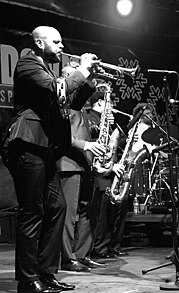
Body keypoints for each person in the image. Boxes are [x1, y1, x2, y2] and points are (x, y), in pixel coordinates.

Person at [1, 26, 100, 293]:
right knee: (33, 211)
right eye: (55, 41)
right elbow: (55, 89)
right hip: (28, 144)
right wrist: (81, 71)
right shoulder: (28, 64)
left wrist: (88, 77)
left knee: (56, 208)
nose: (61, 45)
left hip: (45, 149)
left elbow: (72, 103)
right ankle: (27, 279)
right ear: (39, 43)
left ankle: (46, 274)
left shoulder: (47, 68)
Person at [57, 64, 106, 272]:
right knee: (68, 215)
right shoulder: (62, 104)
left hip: (85, 164)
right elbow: (64, 138)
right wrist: (87, 145)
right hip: (69, 165)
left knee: (88, 211)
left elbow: (84, 91)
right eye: (73, 76)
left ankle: (82, 254)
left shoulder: (78, 107)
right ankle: (67, 258)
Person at [87, 92, 129, 259]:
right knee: (103, 211)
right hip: (98, 171)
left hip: (111, 168)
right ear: (99, 102)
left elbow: (112, 146)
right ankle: (100, 248)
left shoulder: (108, 121)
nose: (111, 107)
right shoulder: (89, 117)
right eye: (109, 103)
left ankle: (113, 245)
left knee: (120, 205)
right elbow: (92, 140)